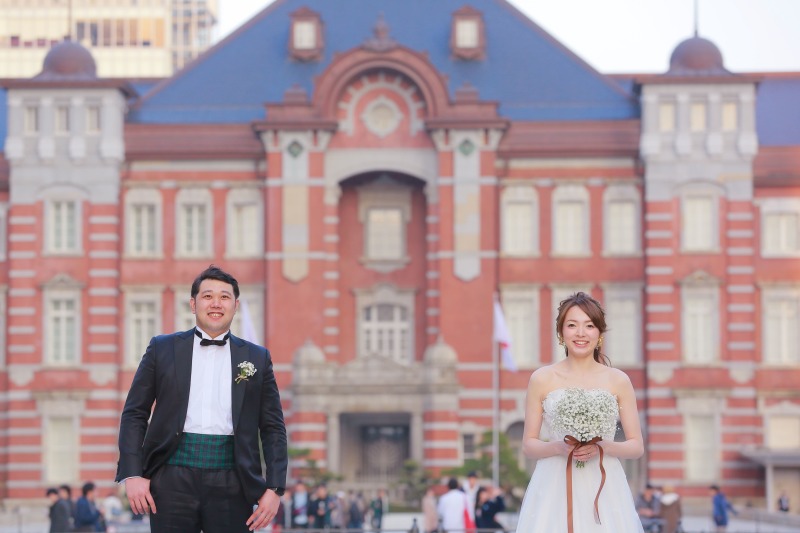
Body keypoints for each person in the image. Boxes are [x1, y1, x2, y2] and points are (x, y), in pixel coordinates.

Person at [115, 265, 288, 533]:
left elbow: (273, 428)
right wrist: (133, 473)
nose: (216, 303)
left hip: (234, 480)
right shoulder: (162, 349)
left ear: (236, 305)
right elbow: (135, 413)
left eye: (224, 297)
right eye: (207, 296)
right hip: (171, 478)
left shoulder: (257, 358)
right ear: (193, 304)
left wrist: (275, 488)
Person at [515, 292, 646, 532]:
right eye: (572, 325)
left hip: (605, 483)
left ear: (599, 334)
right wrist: (557, 447)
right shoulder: (542, 378)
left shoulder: (619, 380)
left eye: (589, 326)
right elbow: (529, 445)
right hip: (554, 482)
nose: (581, 333)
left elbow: (636, 446)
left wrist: (602, 447)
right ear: (561, 333)